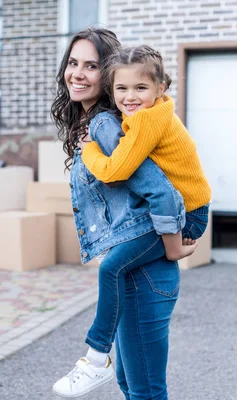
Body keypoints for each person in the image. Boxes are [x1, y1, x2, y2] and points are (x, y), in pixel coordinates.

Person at [50, 28, 185, 400]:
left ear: (107, 75)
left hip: (146, 274)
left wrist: (173, 244)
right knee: (133, 387)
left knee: (144, 392)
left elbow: (162, 191)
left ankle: (95, 359)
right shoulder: (95, 124)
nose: (77, 73)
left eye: (90, 66)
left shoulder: (106, 126)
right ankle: (96, 361)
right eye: (73, 63)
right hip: (134, 269)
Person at [80, 44, 212, 261]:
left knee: (112, 268)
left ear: (160, 88)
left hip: (184, 213)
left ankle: (174, 250)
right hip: (190, 208)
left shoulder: (145, 120)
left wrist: (89, 149)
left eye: (140, 88)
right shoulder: (159, 109)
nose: (130, 97)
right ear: (112, 90)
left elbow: (114, 173)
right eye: (122, 88)